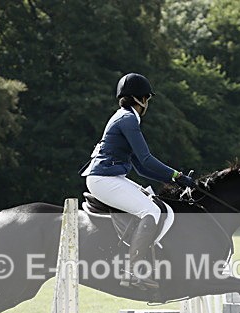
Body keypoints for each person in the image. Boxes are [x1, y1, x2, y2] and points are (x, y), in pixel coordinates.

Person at [82, 73, 196, 290]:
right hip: (104, 179)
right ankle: (133, 272)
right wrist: (177, 176)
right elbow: (146, 159)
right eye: (148, 99)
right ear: (141, 99)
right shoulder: (128, 119)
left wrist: (175, 180)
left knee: (153, 205)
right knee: (150, 212)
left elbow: (142, 168)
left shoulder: (123, 117)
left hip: (108, 177)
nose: (148, 103)